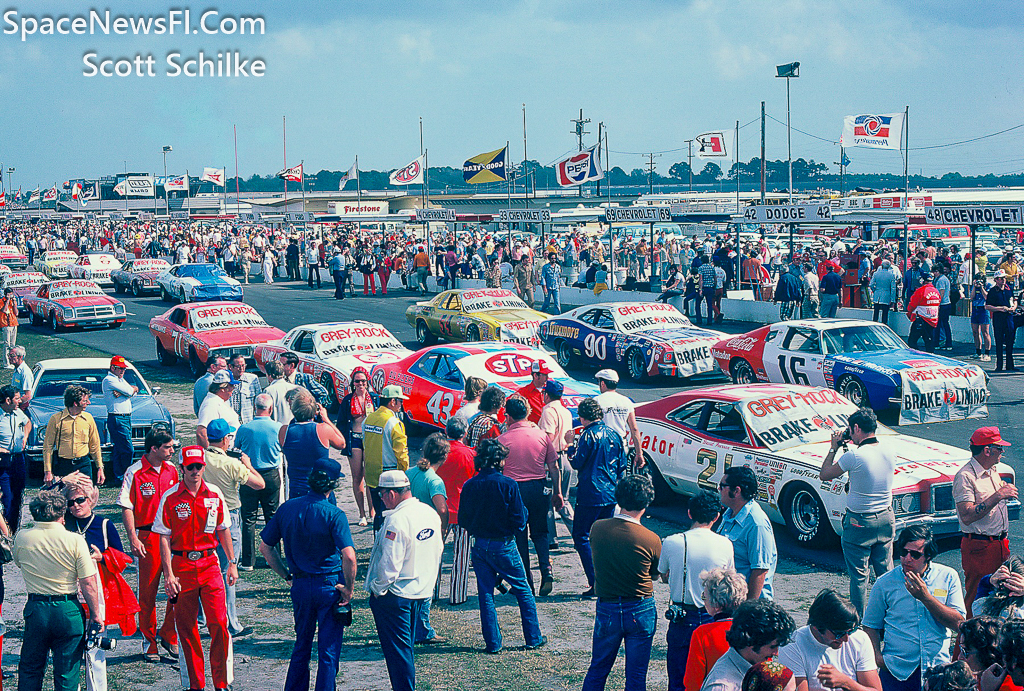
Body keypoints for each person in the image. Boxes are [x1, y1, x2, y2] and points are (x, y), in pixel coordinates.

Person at [260, 458, 357, 691]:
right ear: (332, 486)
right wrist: (349, 589)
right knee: (328, 650)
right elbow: (350, 556)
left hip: (301, 585)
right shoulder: (334, 514)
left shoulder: (287, 508)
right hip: (329, 585)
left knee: (301, 644)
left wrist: (285, 575)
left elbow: (265, 547)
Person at [154, 445, 237, 691]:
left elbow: (223, 529)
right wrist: (168, 574)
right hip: (181, 567)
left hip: (210, 563)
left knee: (219, 624)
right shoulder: (170, 497)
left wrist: (231, 563)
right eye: (190, 467)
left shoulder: (214, 494)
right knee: (187, 628)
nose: (195, 472)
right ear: (182, 469)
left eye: (199, 466)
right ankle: (195, 684)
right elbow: (163, 537)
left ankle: (221, 683)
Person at [459, 435, 550, 655]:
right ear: (500, 461)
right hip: (504, 545)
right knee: (523, 590)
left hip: (479, 545)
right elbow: (520, 520)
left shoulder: (470, 485)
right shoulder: (508, 484)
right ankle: (533, 637)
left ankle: (493, 643)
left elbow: (463, 519)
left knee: (486, 594)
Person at [13, 489, 104, 691]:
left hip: (36, 608)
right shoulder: (75, 540)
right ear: (62, 514)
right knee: (67, 674)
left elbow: (19, 563)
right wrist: (96, 614)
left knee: (30, 668)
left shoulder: (22, 537)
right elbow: (88, 582)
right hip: (67, 608)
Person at [365, 470, 444, 691]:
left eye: (381, 495)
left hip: (395, 595)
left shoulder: (396, 521)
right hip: (420, 591)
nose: (380, 499)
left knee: (398, 654)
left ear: (391, 494)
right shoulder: (429, 513)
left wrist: (377, 589)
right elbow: (438, 548)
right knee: (405, 649)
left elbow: (389, 565)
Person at [581, 475, 661, 691]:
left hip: (607, 606)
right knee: (636, 676)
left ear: (618, 498)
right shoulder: (651, 538)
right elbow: (654, 575)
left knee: (597, 669)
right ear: (646, 503)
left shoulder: (597, 528)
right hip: (640, 606)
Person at [862, 526, 966, 691]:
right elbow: (870, 626)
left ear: (929, 556)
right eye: (904, 552)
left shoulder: (948, 577)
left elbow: (959, 624)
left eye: (915, 554)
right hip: (896, 671)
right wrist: (877, 658)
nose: (907, 559)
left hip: (936, 669)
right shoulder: (884, 583)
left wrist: (926, 597)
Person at [819, 408, 896, 616]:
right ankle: (891, 615)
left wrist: (833, 448)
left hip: (860, 521)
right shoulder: (889, 450)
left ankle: (858, 621)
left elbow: (824, 474)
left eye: (851, 431)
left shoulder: (854, 456)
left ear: (856, 428)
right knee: (885, 573)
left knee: (860, 577)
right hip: (886, 516)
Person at [64, 479, 139, 691]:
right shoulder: (63, 522)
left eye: (80, 500)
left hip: (97, 587)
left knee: (96, 643)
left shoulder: (105, 524)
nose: (76, 505)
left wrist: (102, 557)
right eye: (71, 502)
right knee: (70, 643)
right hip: (69, 586)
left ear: (91, 500)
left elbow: (124, 558)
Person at [662, 490, 735, 691]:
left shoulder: (672, 541)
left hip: (682, 616)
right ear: (716, 517)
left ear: (689, 513)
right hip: (713, 617)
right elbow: (729, 578)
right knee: (714, 676)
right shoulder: (725, 544)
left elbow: (663, 574)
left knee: (679, 678)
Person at [118, 428, 180, 662]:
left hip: (174, 538)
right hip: (148, 537)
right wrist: (133, 538)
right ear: (154, 448)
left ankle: (168, 633)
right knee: (148, 592)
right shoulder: (135, 472)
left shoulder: (173, 470)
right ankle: (149, 642)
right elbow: (126, 506)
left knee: (178, 587)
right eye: (168, 447)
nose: (173, 451)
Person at [203, 418, 266, 636]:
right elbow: (260, 484)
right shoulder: (231, 463)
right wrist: (248, 466)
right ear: (224, 440)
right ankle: (231, 621)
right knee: (228, 569)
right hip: (227, 516)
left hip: (203, 516)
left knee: (206, 567)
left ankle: (204, 616)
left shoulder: (200, 459)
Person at [498, 396, 563, 596]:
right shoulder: (541, 436)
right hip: (539, 487)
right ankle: (546, 569)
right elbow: (554, 466)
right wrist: (558, 492)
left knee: (519, 537)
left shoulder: (502, 440)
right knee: (541, 533)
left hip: (514, 490)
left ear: (507, 417)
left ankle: (526, 581)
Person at [953, 426, 1016, 617]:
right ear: (987, 450)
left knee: (999, 597)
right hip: (980, 547)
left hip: (998, 544)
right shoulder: (965, 476)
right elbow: (967, 515)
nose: (1002, 452)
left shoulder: (991, 470)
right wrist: (998, 496)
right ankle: (964, 644)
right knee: (976, 599)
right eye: (999, 448)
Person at [571, 397, 629, 598]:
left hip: (590, 492)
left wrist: (570, 446)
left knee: (581, 535)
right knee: (604, 538)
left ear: (582, 417)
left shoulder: (587, 436)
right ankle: (608, 579)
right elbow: (622, 465)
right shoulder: (614, 434)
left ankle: (595, 580)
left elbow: (577, 463)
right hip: (610, 492)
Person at [778, 589, 881, 691]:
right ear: (816, 627)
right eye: (839, 633)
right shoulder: (793, 645)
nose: (846, 639)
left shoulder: (860, 639)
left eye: (850, 631)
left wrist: (846, 683)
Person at [405, 432, 449, 645]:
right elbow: (441, 508)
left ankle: (411, 624)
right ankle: (423, 628)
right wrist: (443, 529)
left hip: (408, 531)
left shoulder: (409, 472)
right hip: (426, 535)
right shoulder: (435, 480)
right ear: (444, 457)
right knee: (426, 583)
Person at [234, 393, 284, 571]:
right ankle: (274, 556)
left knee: (248, 517)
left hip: (249, 475)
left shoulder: (245, 428)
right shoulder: (278, 428)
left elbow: (237, 448)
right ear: (270, 409)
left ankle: (248, 560)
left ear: (256, 408)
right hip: (271, 474)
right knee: (272, 515)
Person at [700, 600, 796, 691]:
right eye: (772, 646)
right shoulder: (723, 687)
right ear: (752, 640)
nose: (776, 653)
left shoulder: (751, 664)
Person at [717, 466, 777, 600]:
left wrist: (748, 608)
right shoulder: (729, 514)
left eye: (722, 486)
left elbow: (760, 571)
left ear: (736, 491)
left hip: (750, 605)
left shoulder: (756, 523)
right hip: (731, 599)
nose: (719, 490)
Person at [685, 568, 749, 691]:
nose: (703, 601)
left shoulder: (702, 634)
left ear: (717, 603)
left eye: (704, 596)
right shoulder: (754, 630)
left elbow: (693, 682)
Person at [436, 416, 475, 606]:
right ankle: (457, 594)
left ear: (446, 432)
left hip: (439, 508)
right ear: (465, 433)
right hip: (463, 509)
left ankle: (431, 592)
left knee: (434, 552)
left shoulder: (438, 453)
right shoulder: (471, 454)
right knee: (461, 556)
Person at [280, 390, 345, 500]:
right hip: (321, 487)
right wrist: (326, 419)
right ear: (314, 411)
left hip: (297, 488)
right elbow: (342, 443)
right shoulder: (323, 429)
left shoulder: (284, 431)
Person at [364, 384, 411, 532]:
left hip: (372, 475)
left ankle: (377, 542)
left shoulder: (368, 419)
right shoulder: (394, 423)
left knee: (378, 513)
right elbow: (401, 452)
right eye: (400, 401)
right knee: (391, 516)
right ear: (392, 401)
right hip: (391, 476)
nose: (401, 404)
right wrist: (405, 472)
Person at [336, 366, 378, 526]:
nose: (360, 384)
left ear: (367, 382)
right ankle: (361, 513)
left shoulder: (374, 398)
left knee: (370, 477)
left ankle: (372, 511)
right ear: (353, 383)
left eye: (363, 381)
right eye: (357, 381)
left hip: (370, 439)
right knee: (357, 476)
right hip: (354, 438)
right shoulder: (348, 400)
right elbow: (341, 422)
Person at [42, 384, 105, 485]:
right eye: (85, 401)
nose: (88, 403)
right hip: (63, 465)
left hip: (83, 464)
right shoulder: (56, 419)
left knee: (84, 497)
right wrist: (48, 472)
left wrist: (100, 468)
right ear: (75, 403)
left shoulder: (88, 418)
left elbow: (95, 445)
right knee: (63, 498)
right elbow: (47, 447)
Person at [102, 355, 138, 482]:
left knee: (119, 448)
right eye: (119, 368)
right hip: (117, 417)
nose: (122, 371)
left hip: (125, 417)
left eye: (124, 369)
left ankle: (119, 476)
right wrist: (129, 391)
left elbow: (134, 389)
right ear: (112, 368)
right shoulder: (109, 380)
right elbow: (129, 392)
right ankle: (126, 475)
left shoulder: (120, 380)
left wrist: (129, 390)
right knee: (128, 449)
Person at [594, 369, 643, 459]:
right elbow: (634, 429)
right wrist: (639, 453)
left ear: (603, 383)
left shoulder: (597, 401)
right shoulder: (626, 401)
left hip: (603, 446)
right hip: (621, 444)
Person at [0, 384, 29, 532]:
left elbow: (28, 423)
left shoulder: (18, 413)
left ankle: (14, 530)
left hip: (18, 459)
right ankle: (5, 531)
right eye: (17, 399)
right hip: (3, 461)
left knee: (18, 495)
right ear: (7, 400)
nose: (20, 401)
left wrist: (25, 437)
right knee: (6, 498)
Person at [197, 369, 241, 447]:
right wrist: (211, 454)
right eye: (231, 385)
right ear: (223, 388)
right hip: (221, 454)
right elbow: (201, 432)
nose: (233, 388)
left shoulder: (220, 400)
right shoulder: (211, 404)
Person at [986, 270, 1016, 372]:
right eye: (1000, 278)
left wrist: (1013, 307)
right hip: (999, 318)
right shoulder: (993, 291)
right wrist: (999, 308)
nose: (1003, 280)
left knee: (1010, 341)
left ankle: (1010, 365)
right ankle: (999, 365)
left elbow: (1014, 300)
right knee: (999, 341)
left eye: (1004, 278)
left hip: (1009, 317)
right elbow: (987, 306)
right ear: (996, 280)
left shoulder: (1008, 289)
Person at [907, 274, 940, 353]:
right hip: (932, 320)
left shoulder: (920, 291)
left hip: (921, 319)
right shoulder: (936, 291)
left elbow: (912, 305)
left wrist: (909, 314)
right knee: (929, 343)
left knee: (912, 342)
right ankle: (930, 358)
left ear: (922, 281)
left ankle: (917, 357)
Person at [227, 353, 262, 425]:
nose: (241, 369)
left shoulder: (253, 379)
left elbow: (258, 401)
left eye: (243, 365)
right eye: (238, 366)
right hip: (230, 423)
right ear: (230, 366)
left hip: (248, 422)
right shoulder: (225, 380)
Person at [263, 360, 295, 424]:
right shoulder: (294, 388)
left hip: (276, 429)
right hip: (293, 428)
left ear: (269, 375)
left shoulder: (268, 391)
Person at [870, 260, 900, 325]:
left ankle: (874, 324)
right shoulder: (891, 275)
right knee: (885, 312)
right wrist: (892, 299)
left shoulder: (876, 273)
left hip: (877, 294)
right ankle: (884, 324)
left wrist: (875, 290)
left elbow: (871, 284)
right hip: (886, 294)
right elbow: (893, 288)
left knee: (876, 312)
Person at [970, 278, 991, 361]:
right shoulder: (974, 286)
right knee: (975, 331)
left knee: (985, 332)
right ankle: (978, 352)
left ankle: (987, 353)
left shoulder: (988, 285)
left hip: (983, 309)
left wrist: (982, 287)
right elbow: (971, 297)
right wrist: (975, 287)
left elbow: (987, 297)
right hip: (975, 309)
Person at [932, 265, 953, 351]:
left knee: (940, 324)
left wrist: (938, 304)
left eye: (935, 271)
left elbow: (942, 293)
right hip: (946, 303)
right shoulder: (944, 279)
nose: (934, 273)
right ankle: (947, 343)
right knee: (944, 324)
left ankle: (938, 343)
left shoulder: (941, 280)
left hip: (943, 305)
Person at [0, 288, 17, 369]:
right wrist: (7, 301)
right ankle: (6, 363)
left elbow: (16, 313)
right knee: (7, 344)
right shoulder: (1, 301)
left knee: (13, 345)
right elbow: (4, 310)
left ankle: (12, 361)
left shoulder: (12, 301)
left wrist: (14, 302)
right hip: (5, 324)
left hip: (13, 323)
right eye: (9, 294)